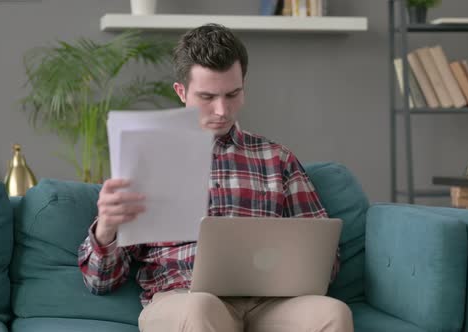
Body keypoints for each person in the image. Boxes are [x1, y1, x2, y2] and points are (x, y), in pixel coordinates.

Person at [78, 23, 353, 332]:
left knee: (332, 313)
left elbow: (326, 262)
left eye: (232, 94)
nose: (222, 110)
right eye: (207, 96)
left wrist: (306, 262)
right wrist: (106, 229)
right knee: (201, 309)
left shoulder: (278, 158)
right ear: (181, 92)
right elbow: (100, 281)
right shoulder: (146, 159)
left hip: (270, 303)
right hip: (184, 299)